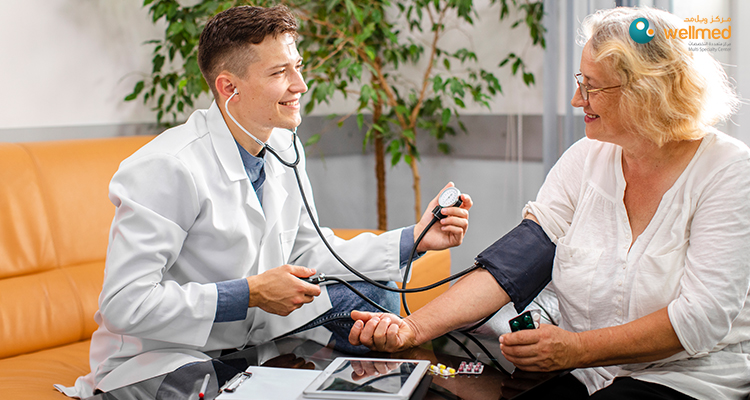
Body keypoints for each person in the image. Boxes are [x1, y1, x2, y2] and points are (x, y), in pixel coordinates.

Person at [56, 5, 472, 398]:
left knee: (376, 296)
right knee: (206, 386)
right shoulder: (167, 167)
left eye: (298, 67)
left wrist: (415, 238)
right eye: (280, 72)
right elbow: (124, 304)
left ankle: (280, 373)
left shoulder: (282, 144)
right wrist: (248, 293)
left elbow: (311, 251)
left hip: (257, 335)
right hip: (166, 353)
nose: (300, 85)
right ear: (229, 87)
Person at [349, 6, 749, 400]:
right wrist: (413, 328)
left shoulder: (729, 172)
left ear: (646, 92)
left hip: (684, 377)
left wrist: (577, 349)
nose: (577, 100)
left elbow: (700, 319)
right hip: (589, 373)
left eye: (592, 86)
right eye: (581, 81)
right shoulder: (585, 159)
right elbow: (518, 263)